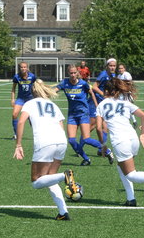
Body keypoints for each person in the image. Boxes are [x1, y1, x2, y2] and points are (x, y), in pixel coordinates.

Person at [13, 79, 80, 221]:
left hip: (45, 142)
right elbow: (61, 125)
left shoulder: (29, 103)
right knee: (50, 178)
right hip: (61, 140)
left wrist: (18, 145)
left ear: (32, 92)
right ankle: (63, 212)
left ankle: (65, 176)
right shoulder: (52, 104)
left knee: (36, 181)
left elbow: (20, 121)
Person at [96, 78, 144, 206]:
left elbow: (98, 128)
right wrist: (143, 134)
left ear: (106, 91)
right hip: (133, 138)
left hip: (120, 141)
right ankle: (131, 199)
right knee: (121, 167)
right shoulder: (124, 102)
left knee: (130, 174)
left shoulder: (101, 105)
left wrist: (103, 145)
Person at [54, 65, 113, 166]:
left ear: (77, 73)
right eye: (71, 73)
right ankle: (86, 159)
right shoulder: (65, 83)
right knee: (71, 140)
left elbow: (92, 93)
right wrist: (44, 92)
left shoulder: (83, 84)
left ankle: (107, 151)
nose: (73, 75)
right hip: (72, 115)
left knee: (86, 139)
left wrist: (97, 106)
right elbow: (55, 89)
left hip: (83, 114)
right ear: (68, 74)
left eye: (74, 73)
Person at [90, 58, 118, 154]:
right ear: (107, 66)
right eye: (110, 65)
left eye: (114, 66)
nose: (112, 67)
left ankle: (101, 149)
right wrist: (103, 94)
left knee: (105, 127)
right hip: (96, 102)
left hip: (104, 103)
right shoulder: (103, 74)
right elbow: (94, 87)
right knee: (92, 126)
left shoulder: (113, 75)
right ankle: (80, 145)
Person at [10, 62, 36, 140]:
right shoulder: (16, 77)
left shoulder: (32, 76)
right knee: (14, 114)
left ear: (27, 68)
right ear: (19, 68)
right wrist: (12, 99)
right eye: (22, 67)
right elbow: (13, 89)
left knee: (31, 117)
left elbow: (36, 87)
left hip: (30, 99)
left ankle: (36, 134)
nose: (23, 68)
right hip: (20, 99)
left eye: (25, 67)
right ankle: (16, 134)